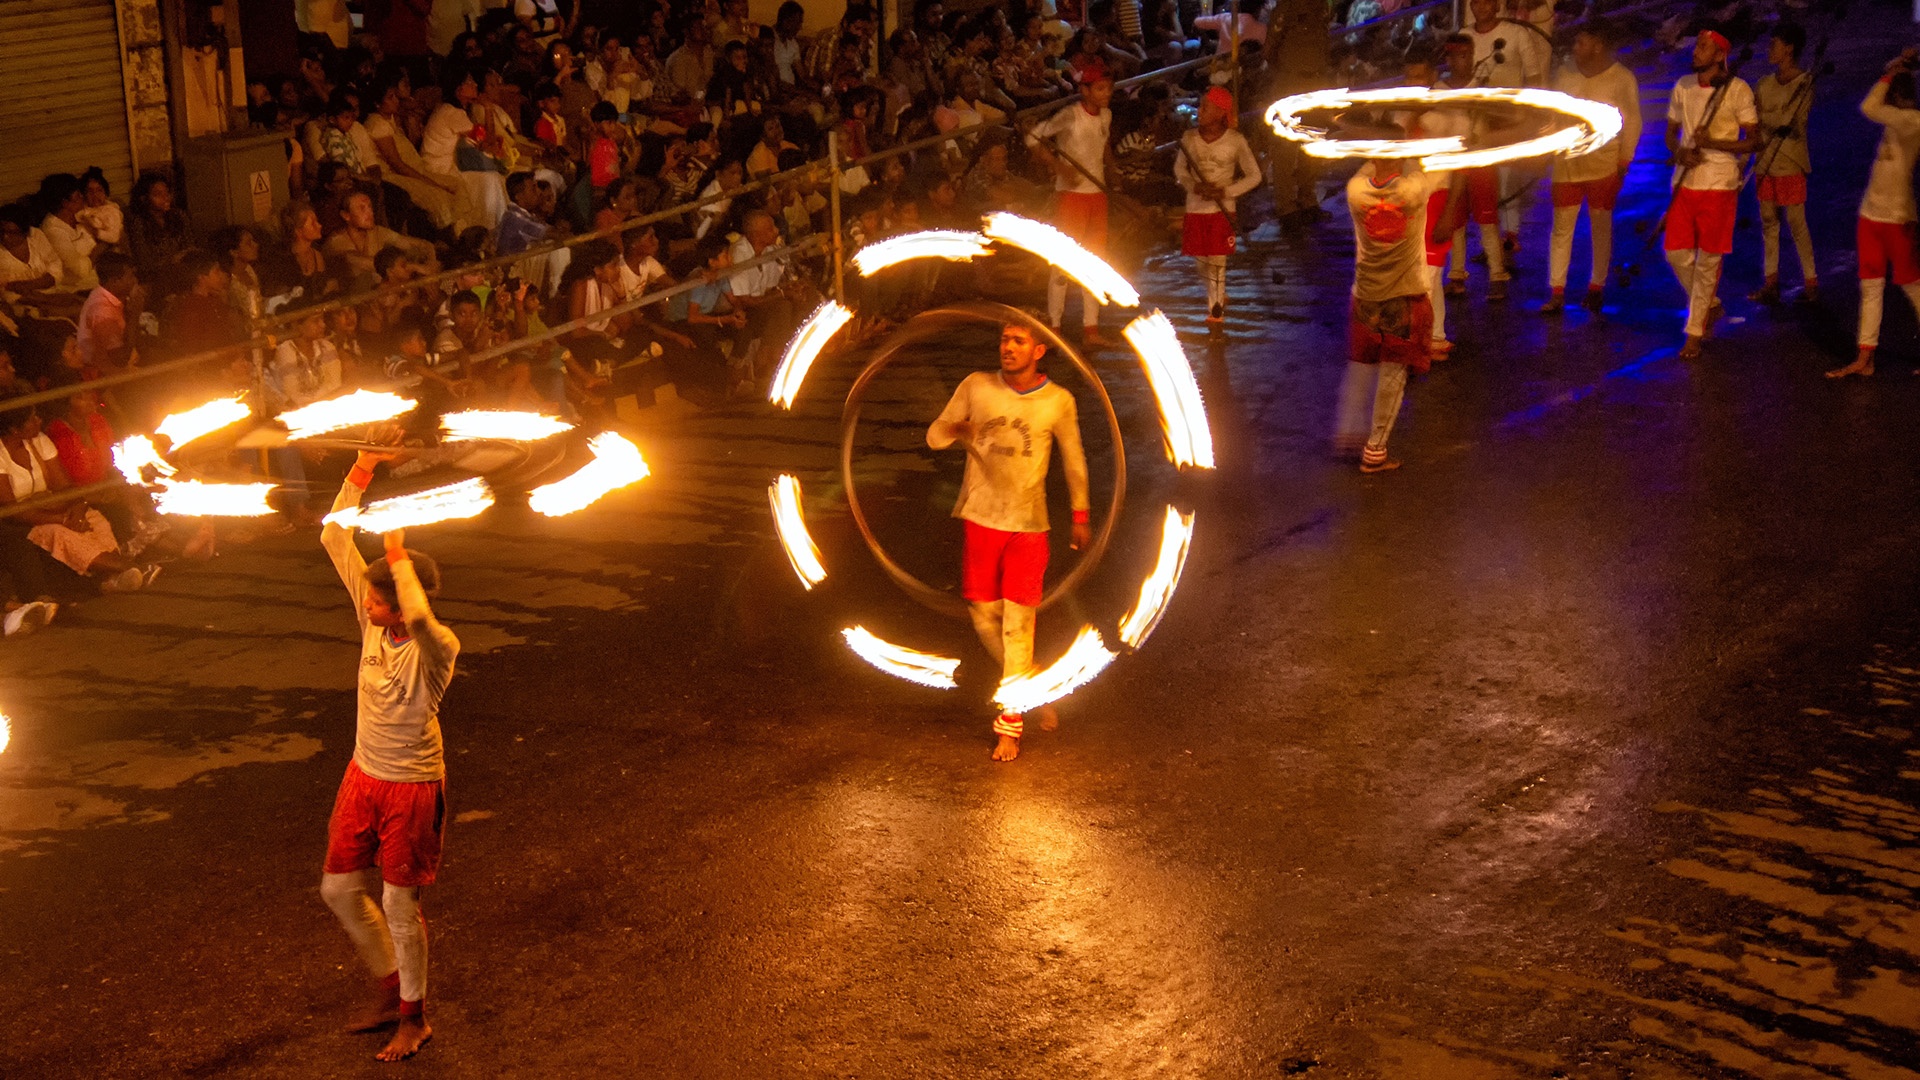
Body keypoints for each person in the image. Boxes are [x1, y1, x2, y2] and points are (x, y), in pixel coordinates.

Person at [318, 440, 459, 1063]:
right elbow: (331, 536)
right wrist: (363, 468)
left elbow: (423, 618)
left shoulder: (436, 646)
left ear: (402, 599)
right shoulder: (373, 616)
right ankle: (389, 988)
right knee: (339, 890)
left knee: (400, 903)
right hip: (363, 775)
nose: (368, 607)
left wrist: (398, 551)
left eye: (380, 599)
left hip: (411, 785)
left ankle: (414, 1016)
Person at [927, 320, 1090, 762]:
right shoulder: (977, 386)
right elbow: (934, 435)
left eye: (1019, 341)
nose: (1008, 347)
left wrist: (1081, 514)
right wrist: (957, 430)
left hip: (1028, 526)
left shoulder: (1057, 400)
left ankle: (1009, 727)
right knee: (985, 622)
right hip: (980, 519)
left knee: (1018, 627)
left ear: (1039, 350)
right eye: (1004, 339)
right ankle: (1033, 685)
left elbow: (1074, 458)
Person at [1336, 121, 1463, 473]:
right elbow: (1431, 165)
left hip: (1365, 297)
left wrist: (1364, 141)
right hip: (1403, 299)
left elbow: (1369, 165)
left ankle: (1349, 435)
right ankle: (1375, 450)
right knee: (1393, 377)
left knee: (1362, 366)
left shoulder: (1355, 190)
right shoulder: (1414, 190)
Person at [1665, 29, 1757, 360]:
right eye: (1697, 45)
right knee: (1676, 253)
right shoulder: (1683, 86)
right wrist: (1680, 153)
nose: (1696, 51)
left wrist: (1712, 144)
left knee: (1708, 261)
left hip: (1720, 182)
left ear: (1720, 55)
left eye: (1704, 47)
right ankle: (1710, 305)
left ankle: (1694, 332)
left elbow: (1754, 141)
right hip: (1686, 181)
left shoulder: (1738, 89)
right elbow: (1671, 134)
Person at [1828, 48, 1920, 379]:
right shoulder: (1897, 120)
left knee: (1913, 288)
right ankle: (1865, 357)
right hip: (1872, 215)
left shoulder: (1912, 122)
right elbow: (1873, 105)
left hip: (1897, 218)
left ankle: (1865, 358)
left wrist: (1891, 71)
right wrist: (1894, 69)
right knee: (1872, 288)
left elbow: (1869, 106)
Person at [1542, 20, 1641, 314]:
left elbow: (1632, 121)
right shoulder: (1565, 73)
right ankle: (1557, 290)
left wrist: (1624, 160)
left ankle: (1596, 285)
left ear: (1597, 46)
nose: (1574, 48)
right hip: (1567, 164)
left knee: (1600, 225)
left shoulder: (1621, 78)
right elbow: (1556, 114)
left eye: (1580, 43)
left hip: (1603, 164)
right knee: (1561, 228)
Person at [1025, 63, 1117, 343]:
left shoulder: (1107, 116)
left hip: (1096, 195)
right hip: (1070, 196)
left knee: (1095, 260)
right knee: (1063, 261)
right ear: (1084, 90)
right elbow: (1033, 138)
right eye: (1100, 89)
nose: (1106, 94)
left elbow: (1104, 145)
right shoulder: (1070, 115)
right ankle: (1054, 327)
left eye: (1109, 89)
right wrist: (1059, 167)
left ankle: (1091, 328)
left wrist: (1114, 172)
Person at [1175, 87, 1261, 325]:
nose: (1199, 111)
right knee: (1201, 264)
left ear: (1221, 112)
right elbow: (1180, 169)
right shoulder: (1189, 138)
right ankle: (1218, 296)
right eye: (1200, 106)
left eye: (1205, 107)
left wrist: (1225, 192)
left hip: (1222, 211)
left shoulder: (1235, 141)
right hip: (1195, 208)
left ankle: (1215, 311)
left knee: (1217, 261)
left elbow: (1254, 176)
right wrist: (1194, 186)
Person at [1750, 23, 1817, 306]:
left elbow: (1794, 123)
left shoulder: (1804, 83)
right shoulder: (1764, 84)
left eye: (1774, 43)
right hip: (1765, 161)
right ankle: (1771, 281)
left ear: (1788, 48)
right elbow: (1756, 123)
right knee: (1769, 223)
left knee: (1795, 222)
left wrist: (1769, 119)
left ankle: (1811, 282)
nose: (1770, 49)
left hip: (1789, 161)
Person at [77, 252, 142, 372]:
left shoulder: (111, 298)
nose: (135, 281)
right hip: (108, 377)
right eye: (131, 277)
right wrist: (134, 315)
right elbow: (120, 360)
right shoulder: (102, 311)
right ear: (114, 281)